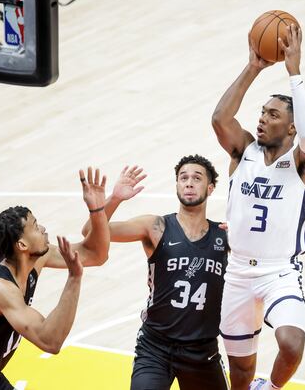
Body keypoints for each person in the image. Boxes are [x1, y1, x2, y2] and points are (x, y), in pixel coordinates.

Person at [211, 24, 305, 390]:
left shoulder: (304, 162)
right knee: (240, 372)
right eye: (262, 112)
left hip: (280, 273)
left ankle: (272, 388)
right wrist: (253, 67)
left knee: (291, 344)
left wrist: (294, 73)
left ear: (291, 129)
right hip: (238, 272)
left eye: (273, 115)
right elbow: (220, 120)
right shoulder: (244, 151)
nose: (262, 118)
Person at [0, 168, 110, 390]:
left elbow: (96, 254)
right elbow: (50, 341)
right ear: (22, 245)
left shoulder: (33, 259)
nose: (42, 228)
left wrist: (97, 209)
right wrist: (74, 277)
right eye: (35, 226)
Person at [83, 157, 230, 390]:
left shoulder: (225, 234)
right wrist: (115, 199)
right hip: (155, 347)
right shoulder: (155, 226)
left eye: (197, 178)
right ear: (177, 186)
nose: (189, 183)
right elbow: (90, 231)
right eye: (183, 178)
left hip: (201, 351)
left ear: (210, 188)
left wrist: (246, 235)